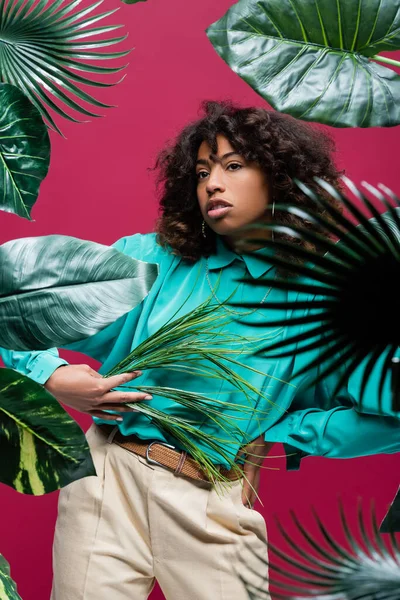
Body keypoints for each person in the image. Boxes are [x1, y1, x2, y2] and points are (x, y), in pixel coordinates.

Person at [1, 100, 399, 600]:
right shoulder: (152, 261)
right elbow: (15, 299)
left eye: (233, 166)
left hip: (211, 501)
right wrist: (52, 377)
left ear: (281, 178)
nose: (213, 183)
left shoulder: (323, 305)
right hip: (107, 482)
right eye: (203, 171)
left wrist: (282, 427)